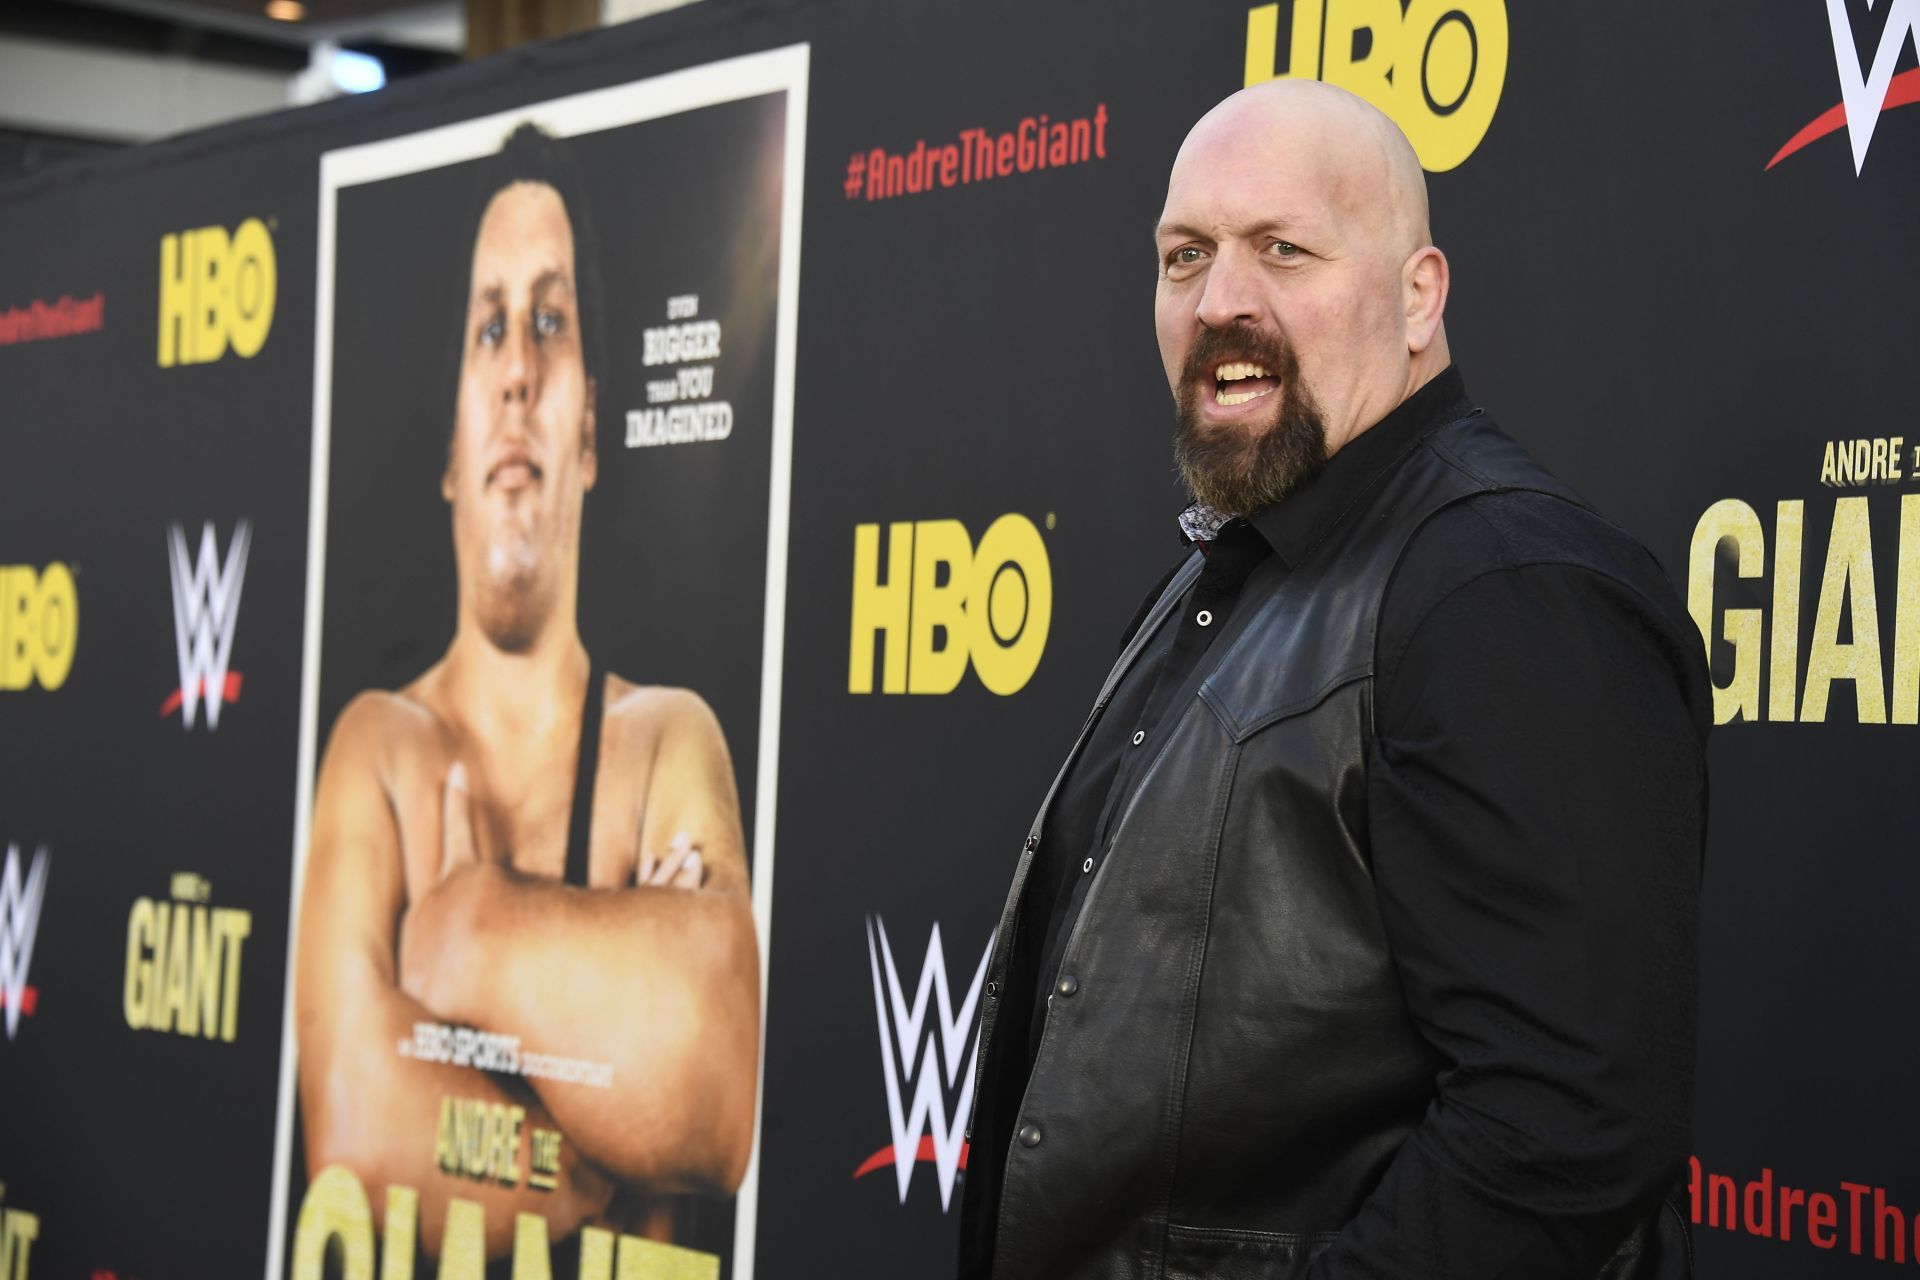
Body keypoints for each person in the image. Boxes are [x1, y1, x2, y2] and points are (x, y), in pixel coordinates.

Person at [959, 81, 1710, 1279]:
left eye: (1283, 249)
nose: (1220, 303)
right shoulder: (1227, 565)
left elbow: (1560, 1136)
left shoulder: (1502, 585)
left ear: (1420, 296)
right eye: (1185, 254)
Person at [296, 124, 759, 1261]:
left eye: (551, 323)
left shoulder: (665, 740)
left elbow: (712, 1091)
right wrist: (602, 1139)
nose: (515, 368)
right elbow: (358, 1124)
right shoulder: (379, 748)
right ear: (454, 448)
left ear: (592, 427)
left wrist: (465, 933)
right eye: (489, 326)